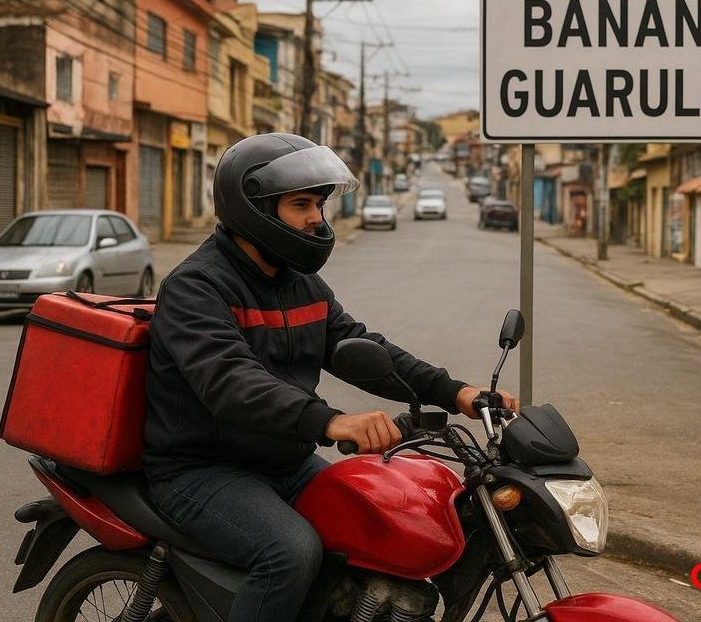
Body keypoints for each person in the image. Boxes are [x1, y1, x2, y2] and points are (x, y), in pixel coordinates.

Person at [143, 133, 517, 622]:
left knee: (387, 518)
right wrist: (332, 422)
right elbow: (231, 382)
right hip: (200, 469)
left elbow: (362, 346)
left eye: (318, 204)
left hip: (282, 461)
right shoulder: (196, 287)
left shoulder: (299, 283)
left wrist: (458, 393)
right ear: (252, 207)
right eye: (301, 204)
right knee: (289, 553)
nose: (316, 218)